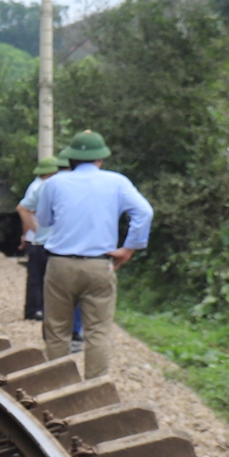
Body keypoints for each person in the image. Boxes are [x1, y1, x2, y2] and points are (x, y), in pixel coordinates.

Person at [32, 131, 152, 379]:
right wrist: (128, 248)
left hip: (60, 265)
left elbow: (43, 220)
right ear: (101, 159)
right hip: (100, 265)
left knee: (57, 331)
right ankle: (95, 392)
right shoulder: (117, 182)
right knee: (97, 332)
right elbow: (144, 212)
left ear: (71, 159)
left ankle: (59, 389)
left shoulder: (53, 183)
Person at [17, 156, 61, 321]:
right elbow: (25, 210)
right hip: (36, 238)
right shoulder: (39, 187)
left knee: (37, 276)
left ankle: (36, 308)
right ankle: (35, 309)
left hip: (36, 237)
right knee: (37, 277)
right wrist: (33, 230)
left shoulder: (38, 186)